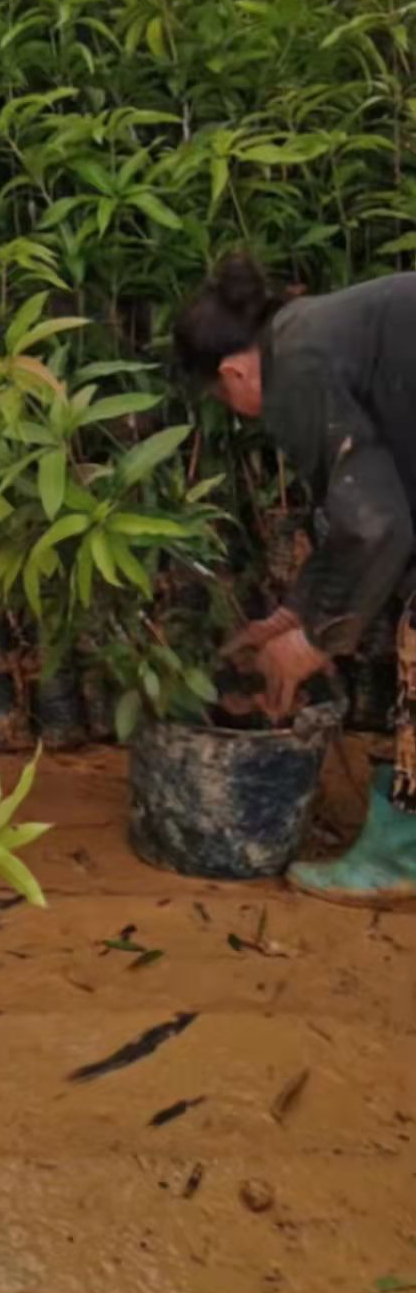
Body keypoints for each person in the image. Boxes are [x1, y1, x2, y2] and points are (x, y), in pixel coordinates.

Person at [173, 254, 416, 905]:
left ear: (231, 371)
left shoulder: (296, 366)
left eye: (224, 397)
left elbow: (378, 525)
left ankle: (401, 854)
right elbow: (354, 517)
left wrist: (312, 642)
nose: (239, 411)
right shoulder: (309, 333)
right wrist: (294, 613)